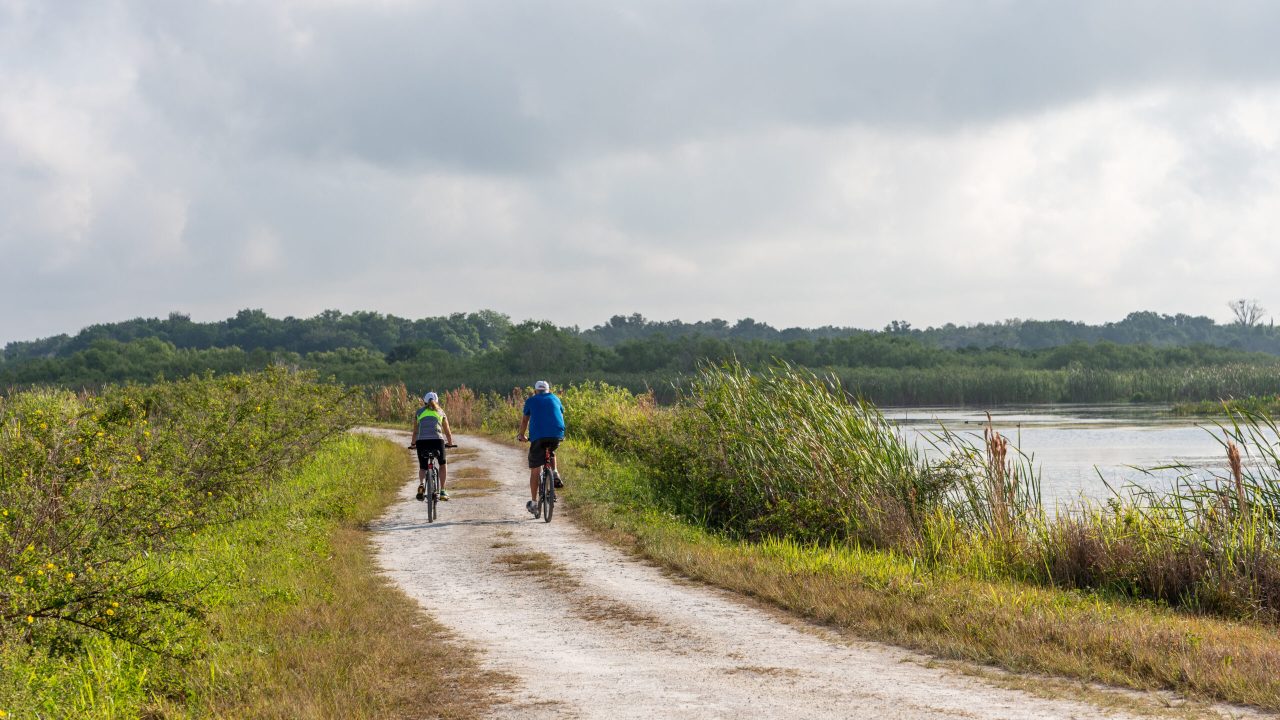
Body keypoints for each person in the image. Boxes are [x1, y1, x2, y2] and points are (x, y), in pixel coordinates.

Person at [516, 379, 565, 516]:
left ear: (536, 391)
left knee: (535, 468)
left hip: (538, 436)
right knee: (551, 451)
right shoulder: (555, 398)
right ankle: (554, 472)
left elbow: (525, 420)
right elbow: (560, 415)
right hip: (556, 434)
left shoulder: (531, 400)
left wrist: (521, 435)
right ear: (548, 390)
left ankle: (534, 502)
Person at [410, 391, 455, 501]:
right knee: (442, 464)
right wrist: (450, 443)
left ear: (424, 402)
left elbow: (415, 431)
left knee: (422, 466)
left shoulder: (419, 412)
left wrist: (413, 444)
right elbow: (447, 431)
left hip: (422, 442)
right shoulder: (440, 412)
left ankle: (421, 485)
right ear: (437, 401)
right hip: (437, 441)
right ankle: (443, 490)